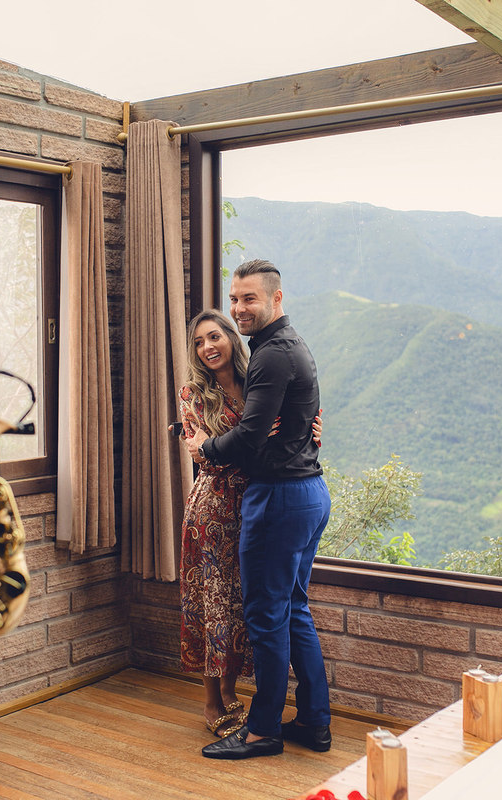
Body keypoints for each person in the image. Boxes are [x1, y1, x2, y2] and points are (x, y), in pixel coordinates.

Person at [186, 259, 333, 760]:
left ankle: (261, 730)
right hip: (308, 492)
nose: (238, 308)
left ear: (276, 299)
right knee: (293, 611)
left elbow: (249, 438)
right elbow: (300, 417)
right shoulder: (289, 349)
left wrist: (206, 448)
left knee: (266, 617)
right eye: (234, 299)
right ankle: (313, 721)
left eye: (248, 299)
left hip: (278, 497)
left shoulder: (271, 355)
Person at [177, 309, 253, 738]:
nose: (208, 348)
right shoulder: (193, 393)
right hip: (211, 512)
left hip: (253, 509)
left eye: (214, 337)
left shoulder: (253, 383)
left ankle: (230, 692)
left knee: (240, 606)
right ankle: (210, 701)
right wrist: (227, 451)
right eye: (199, 343)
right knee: (212, 606)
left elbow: (275, 438)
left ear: (230, 338)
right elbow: (202, 455)